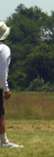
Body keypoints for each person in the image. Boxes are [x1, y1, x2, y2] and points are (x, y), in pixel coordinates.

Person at [0, 21, 22, 149]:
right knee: (0, 114)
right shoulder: (4, 49)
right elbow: (2, 72)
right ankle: (4, 141)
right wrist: (6, 89)